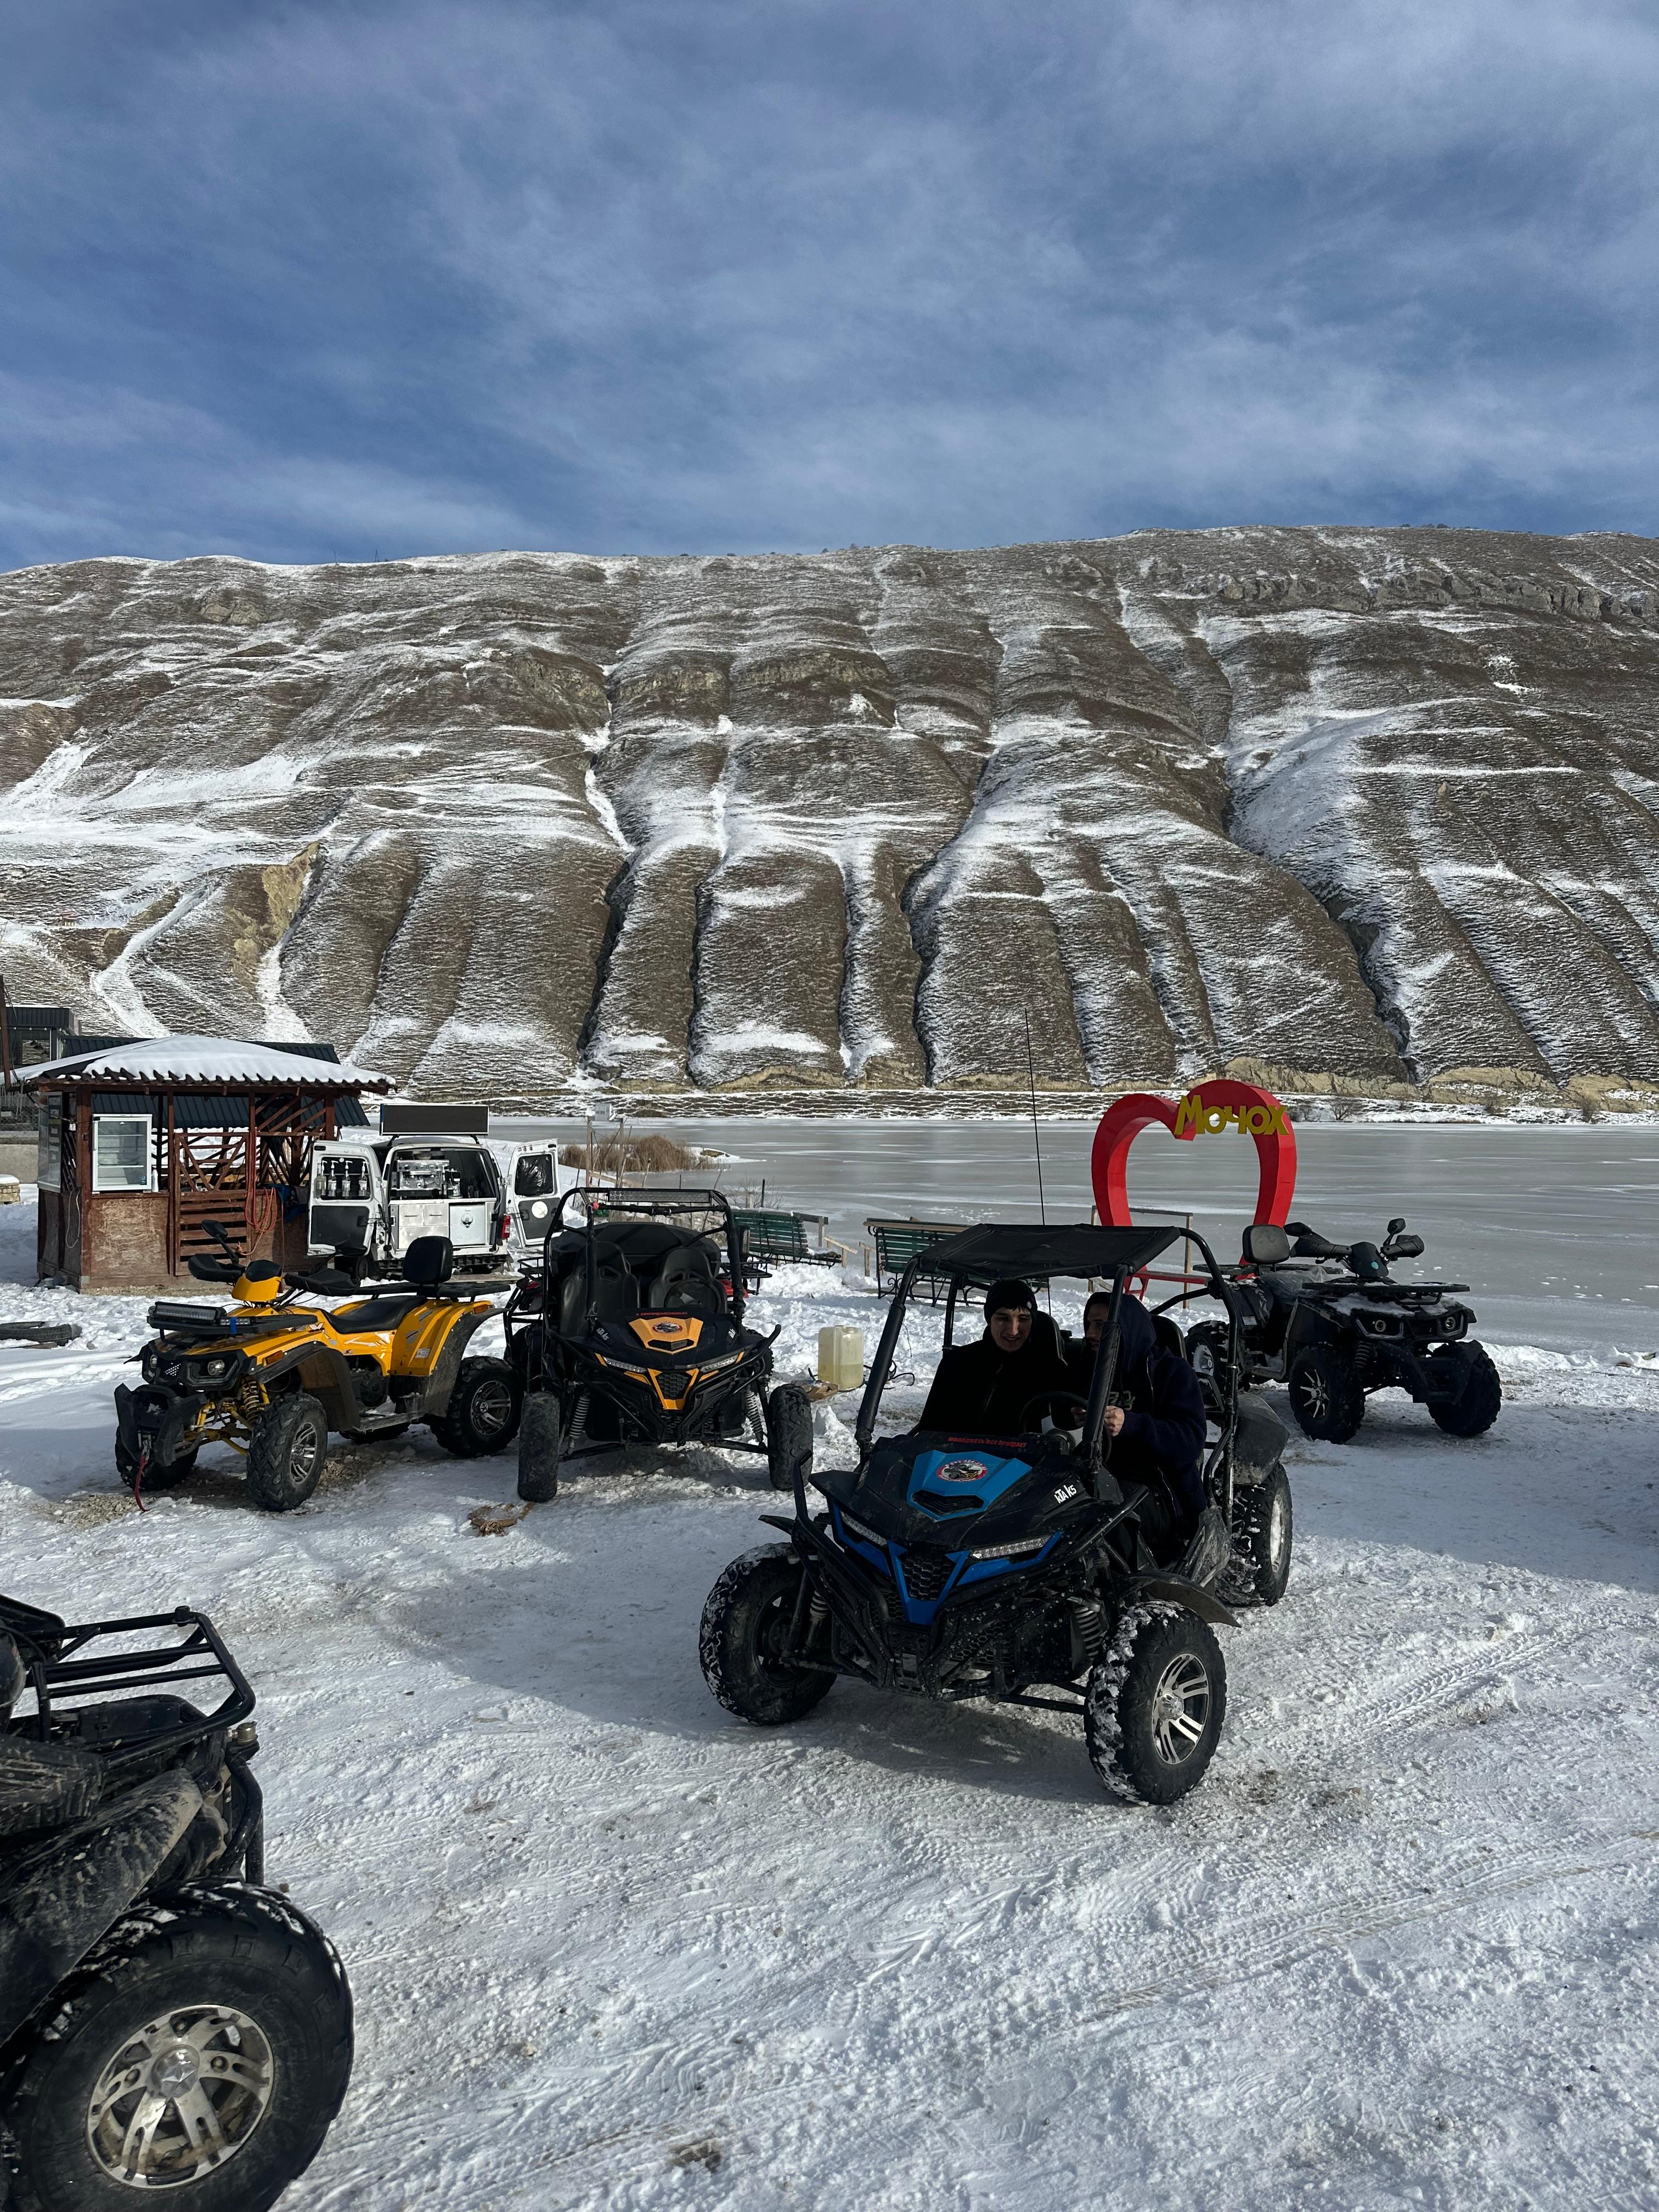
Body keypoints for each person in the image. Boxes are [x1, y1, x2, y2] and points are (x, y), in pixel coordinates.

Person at [1069, 1289, 1208, 1557]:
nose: (1090, 1334)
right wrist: (1074, 1418)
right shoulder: (1089, 1367)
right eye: (1088, 1325)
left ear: (1127, 1326)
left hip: (1159, 1490)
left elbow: (1190, 1441)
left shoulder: (1171, 1371)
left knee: (1098, 1515)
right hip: (1096, 1478)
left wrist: (1130, 1424)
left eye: (1101, 1325)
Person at [918, 1278, 1074, 1438]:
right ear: (989, 1319)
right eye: (1003, 1318)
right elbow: (929, 1430)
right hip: (958, 1458)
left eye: (1023, 1319)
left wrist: (1077, 1417)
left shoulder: (1050, 1369)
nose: (1013, 1330)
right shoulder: (957, 1364)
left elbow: (1068, 1423)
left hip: (1026, 1461)